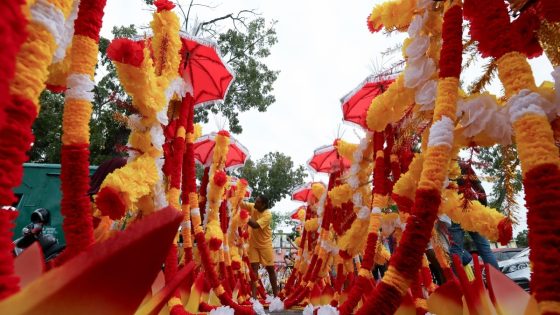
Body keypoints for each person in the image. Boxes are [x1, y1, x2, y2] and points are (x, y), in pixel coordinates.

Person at [450, 162, 499, 270]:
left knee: (456, 249)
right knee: (485, 249)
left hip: (454, 209)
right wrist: (483, 208)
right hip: (472, 207)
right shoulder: (463, 166)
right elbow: (479, 188)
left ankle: (458, 283)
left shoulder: (441, 167)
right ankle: (498, 281)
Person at [242, 195, 278, 297]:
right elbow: (241, 204)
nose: (255, 203)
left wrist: (244, 216)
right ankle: (254, 298)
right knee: (254, 271)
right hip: (253, 244)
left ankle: (276, 296)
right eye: (255, 201)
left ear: (263, 205)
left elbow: (255, 225)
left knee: (270, 269)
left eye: (257, 202)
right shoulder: (253, 206)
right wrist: (234, 197)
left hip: (265, 244)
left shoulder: (268, 214)